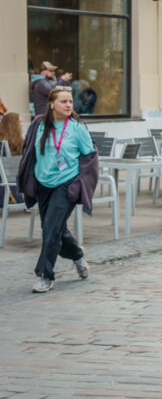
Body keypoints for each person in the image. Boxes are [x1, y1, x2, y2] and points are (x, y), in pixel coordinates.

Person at [18, 87, 97, 293]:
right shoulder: (39, 125)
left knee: (51, 229)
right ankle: (77, 255)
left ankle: (45, 275)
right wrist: (29, 179)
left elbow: (90, 158)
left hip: (66, 184)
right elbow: (28, 152)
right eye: (64, 101)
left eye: (70, 101)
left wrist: (80, 185)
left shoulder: (77, 128)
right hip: (43, 183)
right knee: (55, 229)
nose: (69, 105)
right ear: (52, 104)